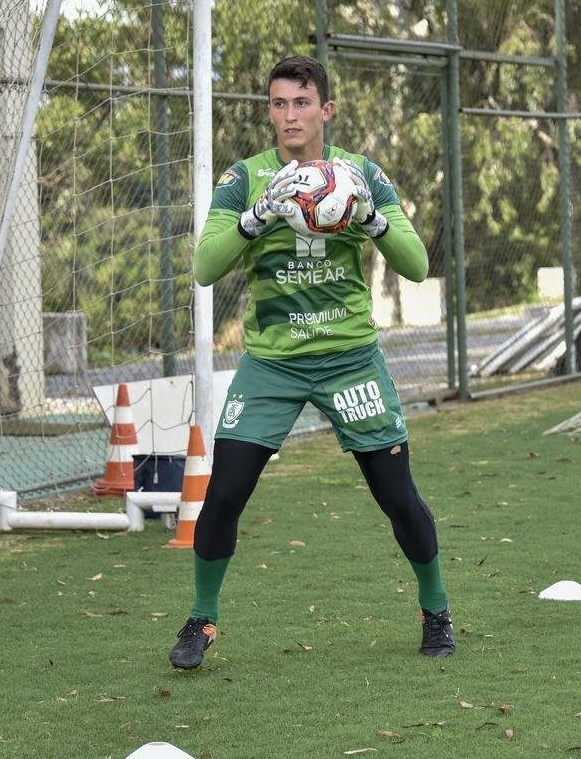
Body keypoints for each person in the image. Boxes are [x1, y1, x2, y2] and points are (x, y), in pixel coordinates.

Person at [168, 55, 455, 670]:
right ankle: (202, 618)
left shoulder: (362, 175)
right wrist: (258, 216)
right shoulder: (245, 178)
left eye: (301, 103)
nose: (289, 115)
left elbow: (416, 263)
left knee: (397, 497)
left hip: (349, 358)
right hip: (272, 364)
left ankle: (436, 610)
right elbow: (204, 267)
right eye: (278, 104)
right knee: (223, 493)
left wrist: (371, 218)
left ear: (326, 109)